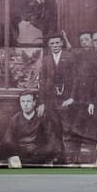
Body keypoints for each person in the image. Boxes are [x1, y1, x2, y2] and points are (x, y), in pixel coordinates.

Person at [72, 29, 97, 163]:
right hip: (95, 102)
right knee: (95, 131)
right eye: (95, 41)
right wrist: (91, 102)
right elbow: (90, 83)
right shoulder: (92, 58)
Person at [39, 33, 77, 162]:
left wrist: (72, 97)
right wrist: (42, 102)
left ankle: (69, 157)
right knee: (54, 128)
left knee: (67, 129)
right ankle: (58, 156)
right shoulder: (46, 60)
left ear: (61, 43)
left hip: (66, 100)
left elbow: (76, 79)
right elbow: (43, 82)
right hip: (51, 100)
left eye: (57, 43)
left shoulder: (70, 57)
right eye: (52, 43)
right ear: (49, 45)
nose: (55, 46)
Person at [3, 90, 61, 165]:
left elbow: (52, 139)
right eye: (22, 101)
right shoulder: (15, 119)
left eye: (28, 101)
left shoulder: (42, 118)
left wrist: (40, 152)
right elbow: (8, 140)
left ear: (34, 103)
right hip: (21, 155)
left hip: (39, 155)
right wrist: (16, 154)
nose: (25, 104)